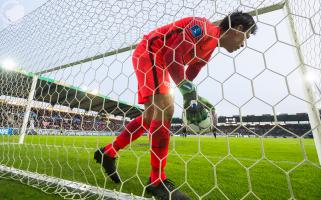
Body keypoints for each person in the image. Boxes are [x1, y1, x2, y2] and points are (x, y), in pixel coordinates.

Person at [94, 11, 257, 200]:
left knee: (151, 117)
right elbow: (173, 54)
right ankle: (157, 181)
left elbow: (193, 70)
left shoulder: (210, 46)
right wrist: (185, 89)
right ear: (238, 30)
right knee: (165, 110)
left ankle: (108, 151)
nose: (243, 44)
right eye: (246, 36)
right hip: (152, 51)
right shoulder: (202, 27)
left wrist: (192, 96)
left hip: (158, 60)